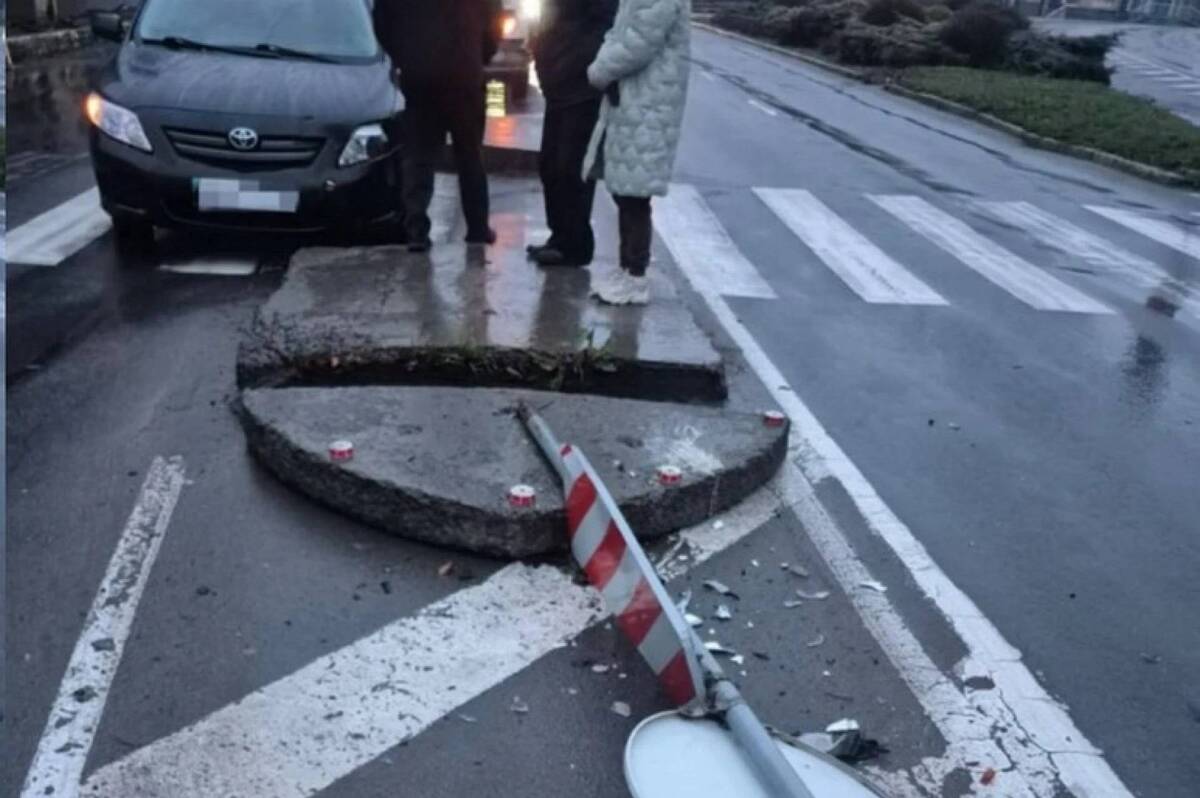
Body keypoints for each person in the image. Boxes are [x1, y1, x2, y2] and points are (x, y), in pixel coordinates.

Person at [582, 0, 691, 305]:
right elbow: (619, 32)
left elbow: (638, 41)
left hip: (649, 103)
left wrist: (599, 69)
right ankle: (626, 268)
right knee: (625, 190)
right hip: (636, 99)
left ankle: (636, 277)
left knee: (635, 195)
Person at [373, 0, 503, 252]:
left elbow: (382, 22)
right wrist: (478, 53)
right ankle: (477, 228)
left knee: (419, 154)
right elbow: (492, 25)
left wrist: (404, 57)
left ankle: (416, 231)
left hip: (418, 73)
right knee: (470, 154)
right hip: (463, 71)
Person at [526, 0, 618, 268]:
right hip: (557, 87)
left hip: (581, 89)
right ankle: (559, 236)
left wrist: (573, 62)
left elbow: (604, 27)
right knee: (550, 166)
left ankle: (576, 245)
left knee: (571, 168)